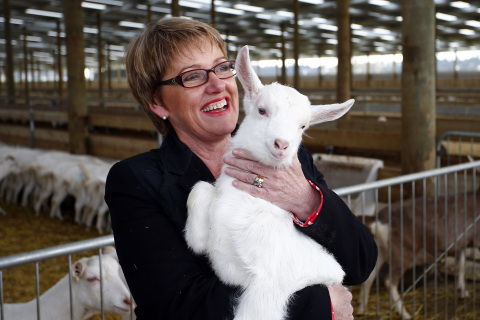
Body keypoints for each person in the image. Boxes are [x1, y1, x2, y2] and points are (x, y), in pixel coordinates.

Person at [105, 16, 377, 320]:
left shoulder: (291, 163)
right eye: (193, 76)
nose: (218, 84)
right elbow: (175, 306)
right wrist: (319, 305)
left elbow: (360, 263)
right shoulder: (137, 181)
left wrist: (305, 200)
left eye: (222, 67)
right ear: (158, 102)